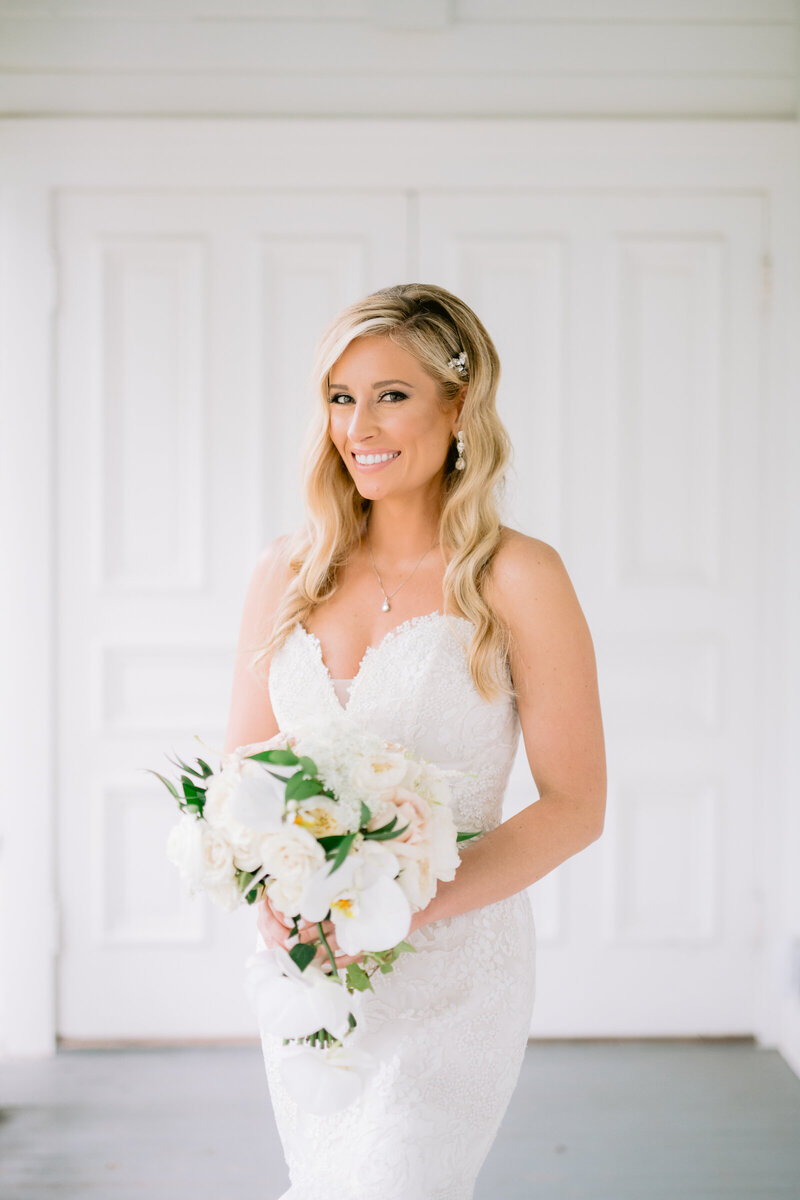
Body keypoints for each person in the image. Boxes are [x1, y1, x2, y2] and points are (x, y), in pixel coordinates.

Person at [223, 282, 606, 1199]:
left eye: (391, 394)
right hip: (310, 967)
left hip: (456, 968)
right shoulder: (286, 570)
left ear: (459, 404)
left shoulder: (519, 576)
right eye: (340, 397)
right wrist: (283, 901)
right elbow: (243, 777)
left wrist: (401, 910)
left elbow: (575, 806)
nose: (359, 424)